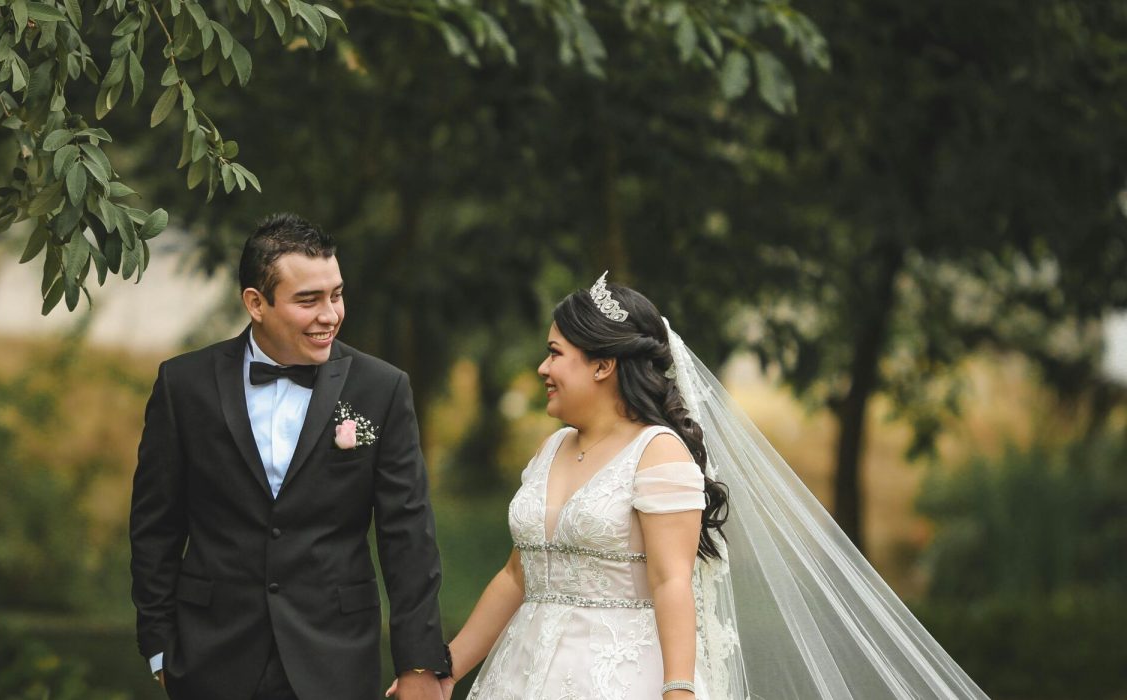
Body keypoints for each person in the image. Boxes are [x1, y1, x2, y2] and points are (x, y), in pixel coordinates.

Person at [412, 274, 990, 699]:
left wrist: (679, 689)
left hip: (616, 679)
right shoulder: (550, 450)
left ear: (602, 365)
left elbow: (671, 581)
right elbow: (516, 575)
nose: (542, 368)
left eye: (555, 353)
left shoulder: (657, 453)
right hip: (522, 674)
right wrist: (447, 673)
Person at [129, 214, 452, 700]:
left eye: (336, 295)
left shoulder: (382, 389)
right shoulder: (183, 386)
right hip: (209, 657)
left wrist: (420, 663)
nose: (330, 315)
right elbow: (155, 526)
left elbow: (407, 535)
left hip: (334, 657)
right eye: (308, 300)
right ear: (255, 303)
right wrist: (158, 646)